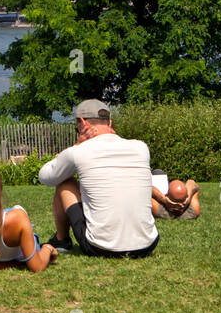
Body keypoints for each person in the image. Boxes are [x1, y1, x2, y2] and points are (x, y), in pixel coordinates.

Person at [38, 99, 159, 258]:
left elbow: (45, 177)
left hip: (101, 247)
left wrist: (76, 145)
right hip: (147, 245)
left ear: (82, 123)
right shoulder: (141, 147)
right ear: (109, 122)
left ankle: (61, 240)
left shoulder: (79, 151)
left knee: (65, 182)